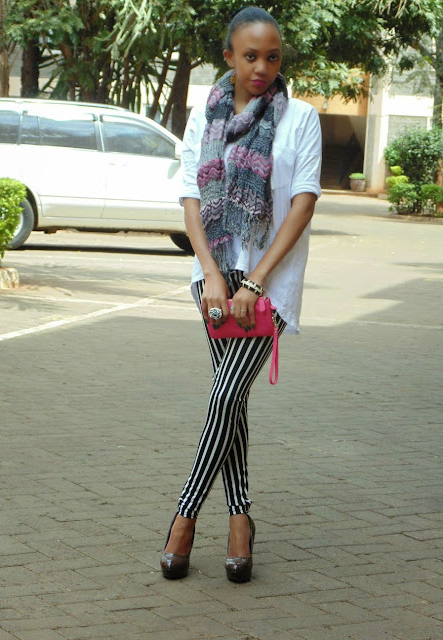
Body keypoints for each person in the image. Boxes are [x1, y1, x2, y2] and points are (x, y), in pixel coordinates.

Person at [161, 6, 322, 583]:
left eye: (272, 57)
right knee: (232, 404)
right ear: (229, 56)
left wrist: (255, 283)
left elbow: (303, 202)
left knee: (226, 394)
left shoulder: (301, 117)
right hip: (214, 283)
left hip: (268, 287)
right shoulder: (203, 117)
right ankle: (239, 521)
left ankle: (184, 517)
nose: (261, 68)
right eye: (250, 56)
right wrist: (211, 273)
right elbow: (191, 199)